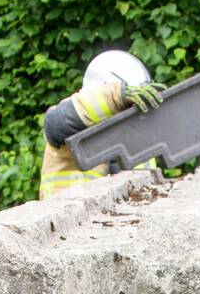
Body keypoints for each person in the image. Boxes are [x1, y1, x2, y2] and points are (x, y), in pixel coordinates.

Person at [39, 50, 164, 200]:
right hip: (64, 218)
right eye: (127, 105)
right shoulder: (65, 119)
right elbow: (55, 123)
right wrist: (115, 96)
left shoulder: (135, 136)